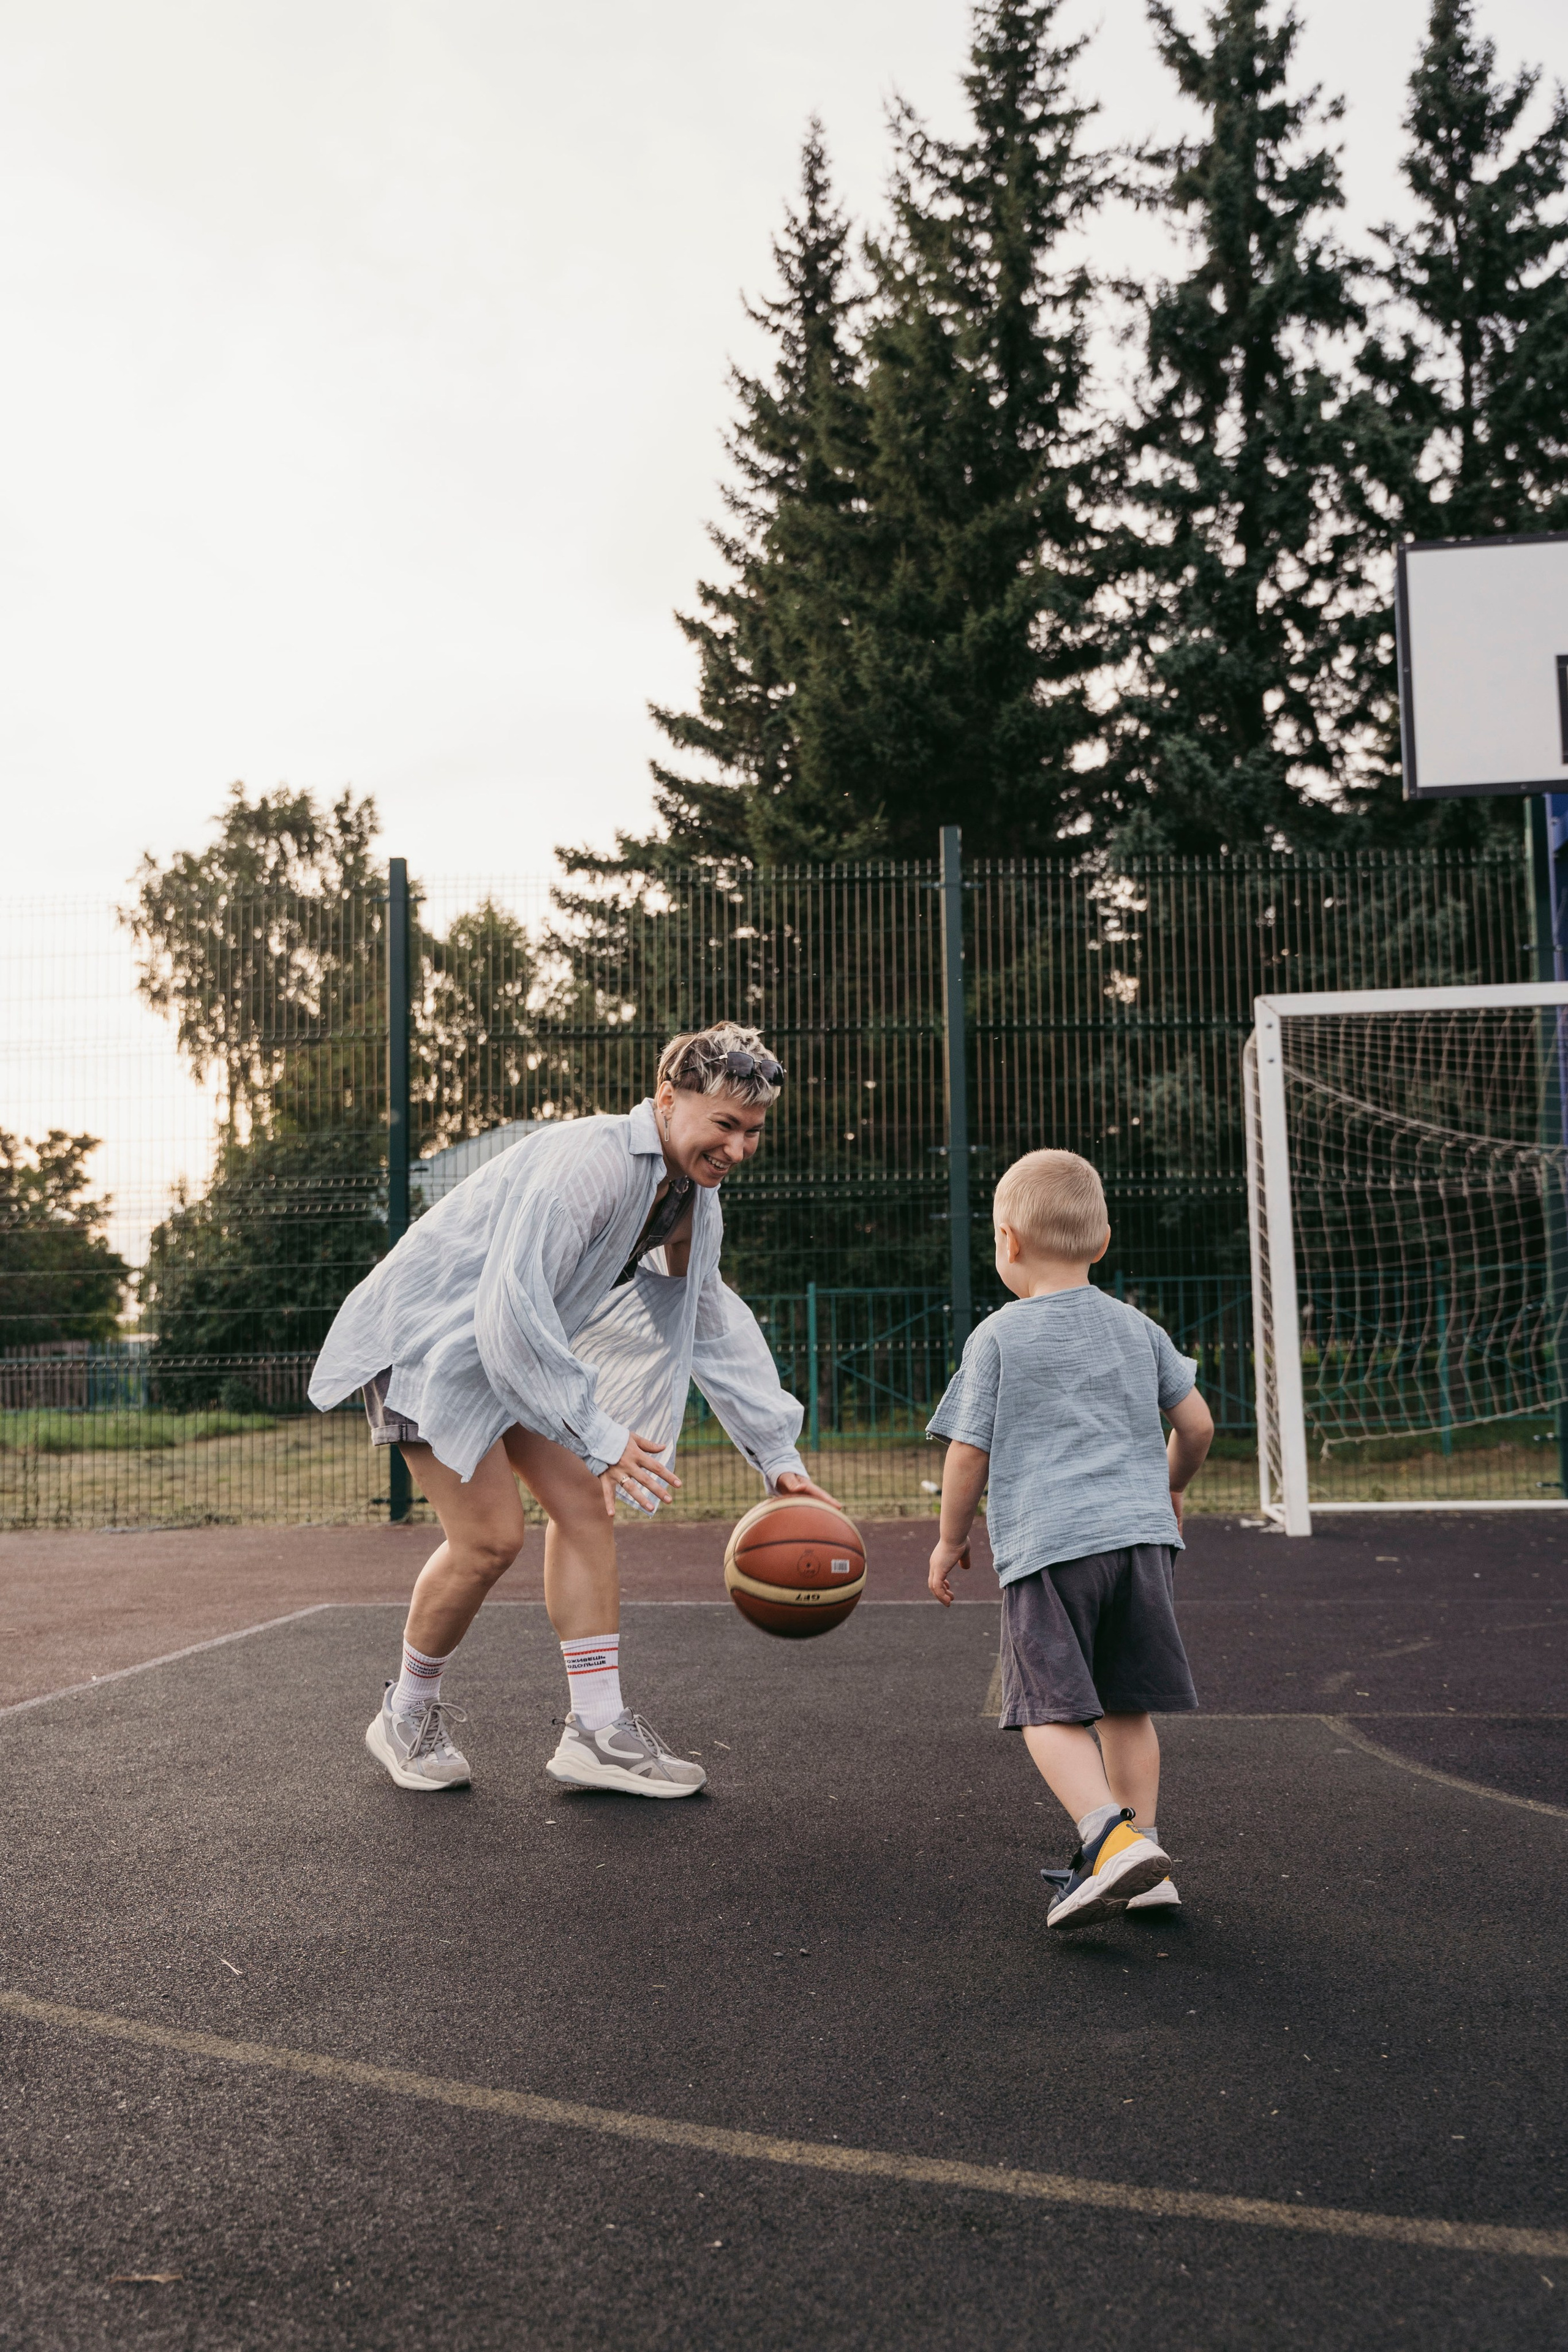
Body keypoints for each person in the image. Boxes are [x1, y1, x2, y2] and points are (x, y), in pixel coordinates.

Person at [308, 1023, 837, 1798]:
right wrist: (595, 1430)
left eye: (753, 1131)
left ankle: (596, 1730)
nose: (739, 1147)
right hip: (427, 1345)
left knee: (585, 1508)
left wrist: (777, 1457)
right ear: (667, 1101)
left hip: (514, 1348)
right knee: (490, 1540)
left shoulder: (689, 1194)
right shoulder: (591, 1165)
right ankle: (406, 1713)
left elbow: (707, 1318)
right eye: (724, 1124)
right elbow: (510, 1308)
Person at [925, 1147, 1213, 1929]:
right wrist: (1173, 1485)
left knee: (1047, 1709)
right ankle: (1146, 1857)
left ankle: (1105, 1839)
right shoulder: (1137, 1327)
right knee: (1126, 1705)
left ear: (1007, 1242)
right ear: (1104, 1239)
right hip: (1143, 1543)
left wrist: (950, 1539)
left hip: (1052, 1547)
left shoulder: (998, 1337)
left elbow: (968, 1451)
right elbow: (1196, 1424)